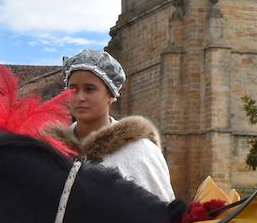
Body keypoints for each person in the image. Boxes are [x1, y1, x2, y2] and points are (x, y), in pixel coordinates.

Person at [46, 49, 175, 201]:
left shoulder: (140, 151)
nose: (80, 97)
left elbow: (161, 212)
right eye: (73, 89)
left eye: (90, 89)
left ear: (111, 95)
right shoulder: (51, 149)